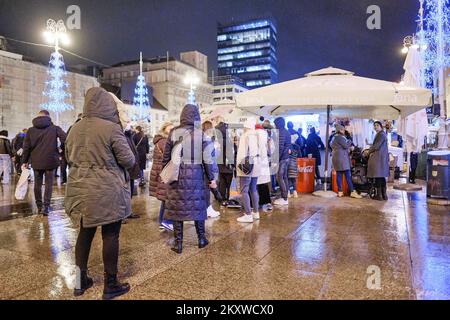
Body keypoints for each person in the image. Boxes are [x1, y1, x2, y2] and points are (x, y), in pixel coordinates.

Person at [65, 87, 135, 299]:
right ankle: (110, 284)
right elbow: (129, 160)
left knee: (84, 234)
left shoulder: (74, 129)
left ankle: (79, 282)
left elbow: (68, 157)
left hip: (79, 189)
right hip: (107, 191)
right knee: (110, 234)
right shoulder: (112, 128)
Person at [162, 104, 216, 254]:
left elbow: (166, 157)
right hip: (197, 177)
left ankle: (178, 244)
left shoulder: (174, 132)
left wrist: (165, 173)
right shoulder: (201, 134)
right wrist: (211, 178)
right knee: (198, 208)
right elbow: (208, 160)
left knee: (177, 209)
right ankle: (201, 239)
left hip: (177, 177)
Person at [22, 110, 66, 215]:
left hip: (36, 160)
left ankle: (39, 207)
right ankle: (46, 208)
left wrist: (24, 161)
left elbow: (26, 147)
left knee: (37, 184)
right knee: (48, 184)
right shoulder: (55, 128)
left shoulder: (31, 130)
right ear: (48, 117)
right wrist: (60, 150)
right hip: (51, 160)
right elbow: (66, 139)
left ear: (38, 116)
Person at [150, 122, 174, 231]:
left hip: (160, 173)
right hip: (164, 173)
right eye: (170, 129)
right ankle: (165, 221)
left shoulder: (160, 141)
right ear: (164, 130)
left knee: (166, 198)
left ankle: (163, 221)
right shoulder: (164, 142)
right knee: (166, 198)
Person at [236, 117, 260, 223]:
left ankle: (248, 215)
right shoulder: (256, 135)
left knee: (244, 190)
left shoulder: (245, 136)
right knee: (253, 189)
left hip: (247, 165)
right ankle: (255, 212)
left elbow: (242, 153)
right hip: (256, 164)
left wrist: (239, 166)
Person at [331, 124, 362, 199]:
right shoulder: (339, 137)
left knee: (339, 175)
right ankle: (352, 191)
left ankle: (340, 192)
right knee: (348, 175)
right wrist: (350, 140)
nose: (344, 131)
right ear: (339, 130)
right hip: (342, 159)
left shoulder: (334, 138)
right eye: (342, 130)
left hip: (337, 158)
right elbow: (346, 145)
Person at [202, 120, 221, 218]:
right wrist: (211, 176)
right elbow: (210, 159)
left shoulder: (202, 139)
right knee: (208, 189)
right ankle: (208, 209)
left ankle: (208, 208)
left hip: (206, 169)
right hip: (211, 168)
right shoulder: (208, 141)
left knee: (206, 190)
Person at [367, 121, 390, 201]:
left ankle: (380, 195)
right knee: (381, 176)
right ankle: (384, 195)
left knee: (378, 176)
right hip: (381, 158)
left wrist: (369, 151)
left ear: (381, 126)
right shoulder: (382, 134)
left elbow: (376, 146)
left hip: (378, 158)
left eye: (377, 125)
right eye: (374, 125)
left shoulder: (380, 134)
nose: (375, 127)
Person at [215, 118, 234, 207]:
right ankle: (228, 199)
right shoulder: (227, 140)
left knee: (222, 182)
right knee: (228, 183)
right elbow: (230, 154)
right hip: (227, 166)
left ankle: (222, 199)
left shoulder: (218, 140)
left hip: (220, 165)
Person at [273, 117, 291, 206]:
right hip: (286, 157)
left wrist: (276, 159)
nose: (274, 126)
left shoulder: (281, 132)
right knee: (284, 177)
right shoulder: (286, 131)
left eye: (275, 124)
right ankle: (285, 196)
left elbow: (280, 147)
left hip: (282, 158)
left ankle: (284, 198)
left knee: (279, 177)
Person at [255, 123, 273, 212]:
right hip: (264, 162)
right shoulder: (267, 138)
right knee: (264, 184)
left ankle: (255, 203)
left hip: (256, 162)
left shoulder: (253, 136)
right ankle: (267, 202)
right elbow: (271, 151)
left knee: (255, 184)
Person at [288, 134, 300, 198]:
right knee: (294, 179)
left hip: (288, 164)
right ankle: (295, 193)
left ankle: (289, 193)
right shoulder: (297, 146)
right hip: (295, 164)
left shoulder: (288, 146)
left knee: (288, 179)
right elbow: (300, 155)